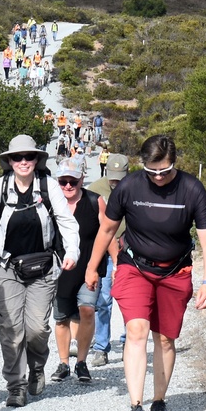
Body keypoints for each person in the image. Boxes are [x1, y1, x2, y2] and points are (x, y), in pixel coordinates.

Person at [85, 135, 206, 411]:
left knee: (165, 339)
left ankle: (159, 401)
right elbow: (106, 230)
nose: (158, 177)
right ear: (143, 165)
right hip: (134, 266)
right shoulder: (130, 186)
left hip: (175, 272)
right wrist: (93, 267)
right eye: (152, 171)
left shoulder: (191, 189)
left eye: (165, 171)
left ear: (174, 163)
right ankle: (136, 407)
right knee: (136, 330)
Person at [0, 135, 80, 408]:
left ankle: (38, 366)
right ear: (9, 161)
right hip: (7, 266)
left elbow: (66, 221)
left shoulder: (48, 186)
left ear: (36, 160)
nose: (23, 162)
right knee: (11, 330)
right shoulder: (0, 187)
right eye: (17, 158)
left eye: (28, 157)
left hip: (42, 267)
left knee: (36, 329)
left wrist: (72, 251)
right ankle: (16, 386)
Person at [49, 157, 107, 384]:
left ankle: (81, 363)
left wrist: (116, 264)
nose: (68, 186)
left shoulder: (95, 202)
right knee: (62, 318)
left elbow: (107, 233)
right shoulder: (51, 204)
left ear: (82, 179)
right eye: (63, 182)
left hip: (88, 269)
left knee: (87, 310)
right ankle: (63, 363)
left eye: (72, 181)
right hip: (60, 270)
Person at [88, 153, 130, 366]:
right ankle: (101, 348)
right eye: (112, 178)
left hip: (130, 254)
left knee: (128, 302)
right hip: (104, 254)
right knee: (103, 302)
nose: (115, 183)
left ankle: (128, 343)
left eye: (119, 178)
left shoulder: (136, 187)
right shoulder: (95, 189)